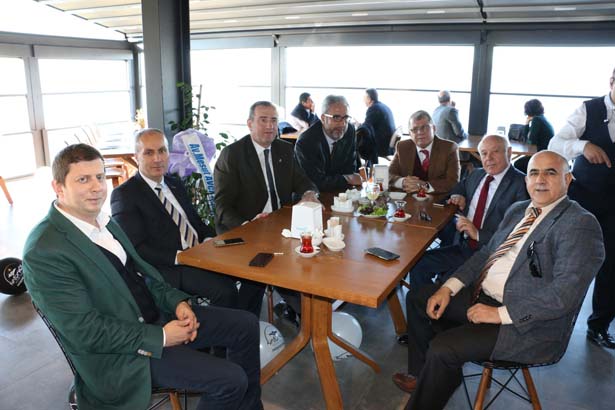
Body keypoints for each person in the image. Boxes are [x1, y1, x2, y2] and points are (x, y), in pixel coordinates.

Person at [22, 144, 262, 410]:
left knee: (246, 324)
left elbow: (144, 275)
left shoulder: (103, 221)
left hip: (155, 318)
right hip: (122, 355)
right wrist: (160, 337)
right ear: (58, 187)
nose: (97, 187)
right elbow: (85, 331)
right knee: (230, 380)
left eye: (99, 177)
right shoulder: (44, 250)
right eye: (83, 179)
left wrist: (177, 302)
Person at [392, 151, 604, 410]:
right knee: (419, 298)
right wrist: (448, 288)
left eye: (550, 173)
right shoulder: (518, 210)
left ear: (567, 180)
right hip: (483, 296)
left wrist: (499, 314)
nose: (540, 180)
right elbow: (485, 254)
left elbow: (563, 295)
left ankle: (435, 380)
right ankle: (426, 375)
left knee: (442, 348)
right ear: (526, 180)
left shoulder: (580, 224)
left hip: (527, 325)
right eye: (534, 173)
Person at [110, 129, 254, 313]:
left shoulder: (174, 183)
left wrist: (209, 240)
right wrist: (182, 257)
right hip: (169, 267)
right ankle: (222, 330)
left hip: (200, 254)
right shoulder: (125, 195)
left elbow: (196, 222)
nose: (157, 159)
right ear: (136, 157)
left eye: (162, 151)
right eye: (149, 153)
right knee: (225, 290)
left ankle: (246, 322)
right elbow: (136, 248)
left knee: (252, 274)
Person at [214, 101, 319, 318]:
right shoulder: (232, 155)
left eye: (273, 120)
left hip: (280, 227)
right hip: (245, 230)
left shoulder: (285, 149)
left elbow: (303, 181)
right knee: (263, 272)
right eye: (263, 120)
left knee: (308, 263)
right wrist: (248, 225)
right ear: (250, 123)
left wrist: (309, 194)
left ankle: (310, 316)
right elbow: (223, 206)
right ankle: (246, 324)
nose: (270, 126)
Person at [407, 134, 528, 290]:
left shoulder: (521, 185)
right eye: (484, 153)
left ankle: (438, 296)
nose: (489, 158)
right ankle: (424, 302)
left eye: (495, 151)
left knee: (448, 282)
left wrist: (478, 234)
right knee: (418, 264)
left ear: (509, 152)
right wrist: (458, 195)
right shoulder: (477, 174)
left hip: (490, 254)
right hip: (463, 246)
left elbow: (517, 233)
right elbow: (460, 187)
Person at [548, 66, 615, 349]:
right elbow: (555, 142)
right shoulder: (588, 109)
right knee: (569, 260)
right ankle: (547, 319)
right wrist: (583, 146)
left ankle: (598, 326)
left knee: (612, 266)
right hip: (585, 197)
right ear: (612, 81)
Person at [295, 95, 362, 192]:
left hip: (342, 194)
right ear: (323, 118)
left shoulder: (349, 131)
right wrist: (347, 179)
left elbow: (351, 169)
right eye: (336, 118)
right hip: (313, 196)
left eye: (346, 118)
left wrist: (344, 178)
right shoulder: (306, 142)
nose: (342, 124)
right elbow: (315, 182)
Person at [389, 110, 460, 194]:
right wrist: (403, 182)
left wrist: (424, 186)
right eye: (414, 129)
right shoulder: (402, 147)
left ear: (434, 128)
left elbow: (453, 182)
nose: (420, 132)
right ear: (410, 133)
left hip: (437, 198)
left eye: (424, 127)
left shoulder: (449, 148)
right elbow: (388, 174)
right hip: (408, 198)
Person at [514, 98, 554, 173]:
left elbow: (531, 141)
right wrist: (527, 124)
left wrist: (526, 124)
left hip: (541, 155)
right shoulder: (542, 118)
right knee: (520, 162)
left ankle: (526, 180)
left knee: (517, 164)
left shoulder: (537, 120)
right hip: (546, 154)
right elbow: (528, 139)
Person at [360, 88, 396, 159]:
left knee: (357, 144)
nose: (363, 100)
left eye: (364, 98)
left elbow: (365, 128)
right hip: (388, 144)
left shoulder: (373, 108)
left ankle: (361, 165)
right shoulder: (383, 106)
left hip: (381, 146)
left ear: (369, 98)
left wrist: (357, 126)